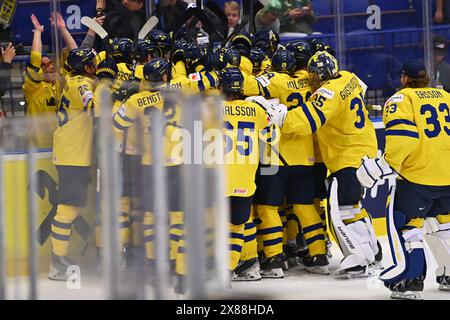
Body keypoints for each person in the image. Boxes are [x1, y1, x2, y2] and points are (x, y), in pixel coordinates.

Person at [258, 51, 383, 278]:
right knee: (354, 206)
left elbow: (307, 119)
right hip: (367, 150)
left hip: (347, 157)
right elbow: (362, 89)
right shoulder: (349, 77)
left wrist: (280, 117)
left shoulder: (328, 92)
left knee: (342, 209)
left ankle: (359, 258)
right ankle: (373, 249)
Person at [356, 60, 450, 299]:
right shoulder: (445, 97)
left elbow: (403, 138)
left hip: (417, 178)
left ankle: (411, 280)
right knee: (445, 225)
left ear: (404, 78)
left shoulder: (401, 99)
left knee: (407, 225)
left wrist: (388, 164)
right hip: (447, 176)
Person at [49, 48, 97, 280]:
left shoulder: (72, 78)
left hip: (71, 151)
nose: (96, 68)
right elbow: (94, 107)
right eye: (93, 64)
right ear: (86, 67)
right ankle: (57, 261)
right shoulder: (81, 85)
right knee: (67, 207)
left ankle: (59, 258)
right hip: (73, 154)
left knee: (72, 206)